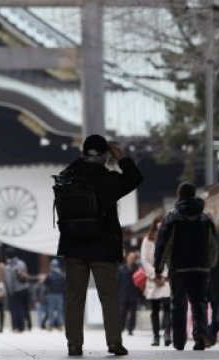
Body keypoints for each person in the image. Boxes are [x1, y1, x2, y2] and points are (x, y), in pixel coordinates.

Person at [57, 135, 142, 357]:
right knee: (109, 296)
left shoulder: (68, 177)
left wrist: (81, 160)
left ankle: (74, 344)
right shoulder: (109, 180)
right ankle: (114, 342)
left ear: (83, 154)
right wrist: (121, 158)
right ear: (105, 155)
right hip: (103, 246)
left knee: (75, 296)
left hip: (73, 245)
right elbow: (135, 178)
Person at [154, 182, 219, 351]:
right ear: (194, 194)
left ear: (179, 195)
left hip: (179, 268)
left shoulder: (172, 217)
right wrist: (209, 263)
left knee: (178, 305)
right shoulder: (205, 218)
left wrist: (158, 267)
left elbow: (164, 244)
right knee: (200, 304)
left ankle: (179, 341)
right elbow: (213, 244)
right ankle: (200, 338)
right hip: (201, 268)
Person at [140, 215, 171, 346]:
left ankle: (167, 333)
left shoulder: (168, 238)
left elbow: (169, 258)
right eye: (158, 224)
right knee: (155, 309)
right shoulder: (148, 240)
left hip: (164, 280)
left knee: (168, 307)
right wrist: (154, 275)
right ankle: (156, 336)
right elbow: (144, 259)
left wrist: (164, 275)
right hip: (153, 279)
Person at [3, 248, 30, 333]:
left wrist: (10, 292)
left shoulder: (8, 267)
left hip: (14, 291)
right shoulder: (21, 263)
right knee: (23, 308)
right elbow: (26, 274)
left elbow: (8, 281)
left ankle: (16, 327)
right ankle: (24, 326)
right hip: (24, 289)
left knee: (15, 309)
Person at [117, 252, 140, 336]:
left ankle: (130, 328)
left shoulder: (137, 269)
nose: (132, 260)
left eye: (134, 258)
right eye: (131, 258)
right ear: (127, 258)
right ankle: (121, 328)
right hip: (123, 295)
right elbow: (118, 283)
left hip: (134, 294)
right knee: (122, 313)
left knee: (133, 313)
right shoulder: (121, 269)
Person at [43, 258, 66, 331]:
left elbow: (45, 283)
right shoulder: (61, 275)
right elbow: (64, 284)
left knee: (51, 310)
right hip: (60, 294)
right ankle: (60, 325)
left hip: (51, 294)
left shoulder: (49, 275)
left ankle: (51, 325)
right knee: (60, 310)